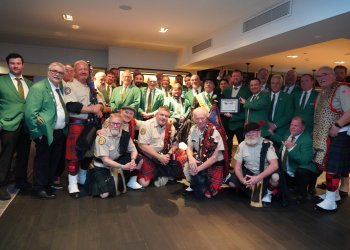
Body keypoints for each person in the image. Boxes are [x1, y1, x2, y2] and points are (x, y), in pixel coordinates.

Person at [25, 62, 68, 199]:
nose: (57, 74)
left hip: (59, 132)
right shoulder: (38, 88)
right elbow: (30, 114)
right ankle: (39, 188)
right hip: (46, 132)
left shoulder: (59, 87)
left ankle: (48, 184)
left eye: (60, 73)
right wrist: (37, 134)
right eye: (54, 71)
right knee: (43, 161)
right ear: (48, 72)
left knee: (53, 161)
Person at [64, 60, 104, 198]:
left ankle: (82, 177)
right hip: (78, 124)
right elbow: (72, 106)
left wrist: (99, 107)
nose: (83, 71)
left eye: (85, 69)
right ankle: (72, 184)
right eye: (80, 69)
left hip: (92, 125)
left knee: (90, 154)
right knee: (75, 155)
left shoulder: (92, 87)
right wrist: (93, 109)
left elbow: (101, 103)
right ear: (74, 71)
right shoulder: (70, 86)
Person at [313, 66, 350, 211]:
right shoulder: (322, 92)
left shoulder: (342, 88)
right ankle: (333, 195)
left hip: (338, 134)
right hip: (324, 136)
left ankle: (330, 202)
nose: (320, 78)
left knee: (333, 167)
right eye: (317, 76)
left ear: (333, 76)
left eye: (324, 74)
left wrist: (337, 124)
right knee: (329, 165)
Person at [0, 53, 33, 200]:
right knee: (6, 157)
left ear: (22, 65)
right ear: (9, 65)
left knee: (23, 155)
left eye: (18, 63)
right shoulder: (1, 81)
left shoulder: (29, 84)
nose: (15, 66)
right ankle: (1, 186)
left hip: (25, 125)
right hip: (8, 124)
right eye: (12, 63)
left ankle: (21, 181)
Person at [87, 113, 142, 198]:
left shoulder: (125, 135)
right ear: (109, 123)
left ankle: (126, 180)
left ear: (121, 125)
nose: (115, 126)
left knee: (139, 159)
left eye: (118, 124)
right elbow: (105, 160)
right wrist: (123, 167)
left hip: (116, 162)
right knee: (104, 195)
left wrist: (133, 160)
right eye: (113, 123)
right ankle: (94, 175)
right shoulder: (102, 137)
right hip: (102, 165)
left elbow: (133, 150)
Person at [228, 122, 279, 207]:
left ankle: (268, 194)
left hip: (264, 174)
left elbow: (275, 165)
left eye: (253, 132)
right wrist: (242, 180)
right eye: (248, 132)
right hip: (249, 172)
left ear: (259, 132)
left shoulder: (267, 144)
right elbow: (237, 167)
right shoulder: (242, 145)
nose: (250, 134)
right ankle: (251, 190)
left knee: (275, 177)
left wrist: (257, 178)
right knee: (232, 183)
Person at [185, 107, 226, 198]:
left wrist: (197, 170)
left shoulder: (214, 131)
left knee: (208, 194)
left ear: (207, 117)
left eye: (202, 118)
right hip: (201, 160)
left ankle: (216, 181)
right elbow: (189, 147)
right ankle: (195, 182)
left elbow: (214, 158)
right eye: (197, 118)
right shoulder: (193, 129)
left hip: (214, 164)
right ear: (193, 118)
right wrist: (191, 159)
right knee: (187, 165)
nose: (199, 121)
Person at [280, 117, 320, 203]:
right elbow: (281, 149)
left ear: (302, 128)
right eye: (291, 125)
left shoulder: (307, 140)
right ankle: (293, 186)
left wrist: (291, 149)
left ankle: (302, 194)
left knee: (302, 171)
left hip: (302, 170)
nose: (292, 127)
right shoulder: (288, 134)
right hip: (288, 170)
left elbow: (305, 160)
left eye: (296, 125)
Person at [137, 106, 180, 188]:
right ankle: (160, 173)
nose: (164, 118)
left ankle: (161, 173)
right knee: (144, 183)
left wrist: (169, 154)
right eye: (161, 115)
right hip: (149, 156)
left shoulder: (170, 125)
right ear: (156, 115)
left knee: (183, 158)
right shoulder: (147, 125)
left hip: (165, 155)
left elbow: (175, 143)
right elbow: (142, 145)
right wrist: (159, 157)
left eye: (166, 116)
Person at [222, 70, 251, 161]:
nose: (235, 77)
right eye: (234, 76)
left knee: (243, 145)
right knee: (227, 146)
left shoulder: (247, 91)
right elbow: (222, 104)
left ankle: (243, 165)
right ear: (231, 78)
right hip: (228, 123)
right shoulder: (226, 90)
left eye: (238, 76)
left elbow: (248, 109)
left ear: (241, 78)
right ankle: (227, 164)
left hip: (240, 123)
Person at [267, 74, 293, 150]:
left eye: (277, 83)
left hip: (280, 131)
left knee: (277, 156)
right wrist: (267, 124)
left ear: (281, 84)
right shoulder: (265, 96)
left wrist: (275, 125)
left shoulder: (287, 97)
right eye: (273, 83)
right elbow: (261, 113)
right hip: (266, 130)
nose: (275, 85)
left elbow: (289, 115)